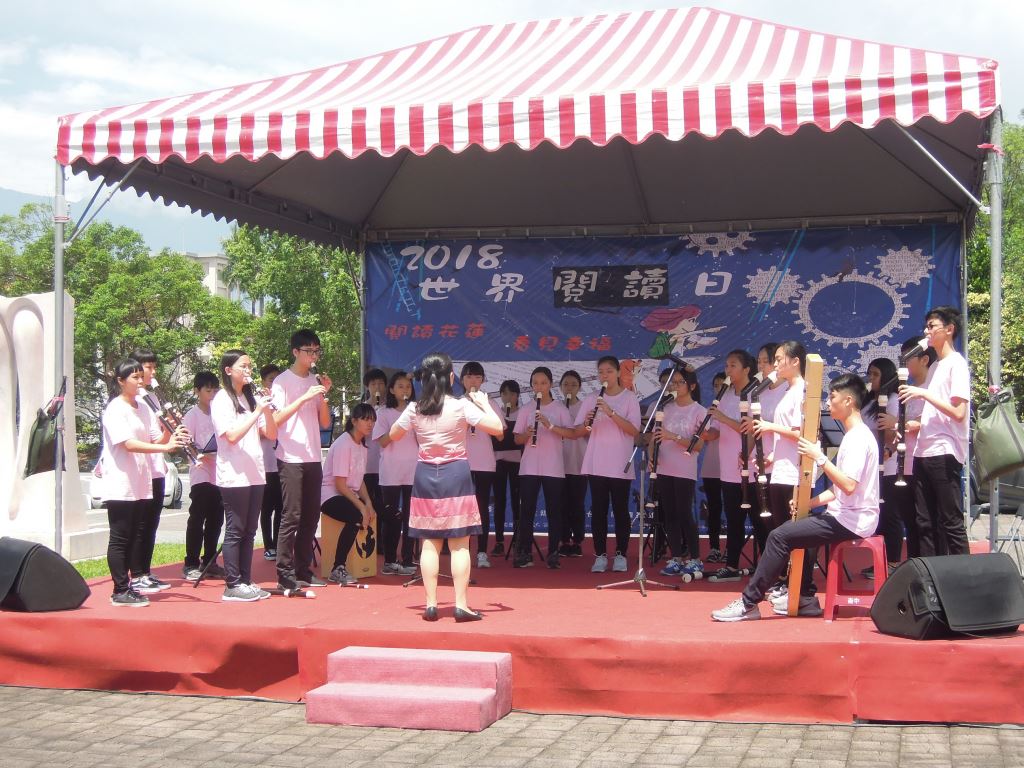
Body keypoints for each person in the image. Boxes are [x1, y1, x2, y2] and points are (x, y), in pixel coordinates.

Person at [712, 373, 880, 621]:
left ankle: (748, 603)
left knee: (778, 536)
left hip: (853, 520)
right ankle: (805, 597)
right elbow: (838, 489)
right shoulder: (853, 436)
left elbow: (848, 485)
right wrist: (808, 503)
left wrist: (818, 457)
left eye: (832, 397)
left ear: (848, 401)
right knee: (802, 524)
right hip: (845, 515)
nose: (828, 403)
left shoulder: (857, 438)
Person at [389, 352, 503, 622]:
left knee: (429, 542)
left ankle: (431, 604)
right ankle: (460, 604)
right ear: (451, 377)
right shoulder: (460, 406)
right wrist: (483, 403)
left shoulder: (415, 408)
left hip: (425, 474)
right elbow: (498, 428)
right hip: (455, 473)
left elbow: (393, 434)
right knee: (459, 544)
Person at [97, 359, 185, 607]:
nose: (139, 381)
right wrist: (165, 447)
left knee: (134, 534)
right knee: (120, 537)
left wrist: (170, 428)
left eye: (140, 376)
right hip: (121, 481)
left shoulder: (144, 407)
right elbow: (127, 443)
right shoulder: (115, 409)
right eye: (134, 378)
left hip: (141, 480)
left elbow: (157, 439)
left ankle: (130, 586)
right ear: (120, 381)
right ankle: (119, 590)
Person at [899, 306, 971, 557]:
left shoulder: (956, 364)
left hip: (944, 450)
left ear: (949, 329)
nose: (926, 331)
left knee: (950, 520)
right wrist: (913, 423)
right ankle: (930, 574)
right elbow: (935, 412)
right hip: (923, 450)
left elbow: (959, 412)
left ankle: (965, 574)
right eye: (926, 326)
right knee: (925, 521)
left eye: (932, 326)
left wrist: (923, 393)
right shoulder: (936, 367)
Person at [211, 349, 277, 602]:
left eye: (250, 366)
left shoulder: (251, 399)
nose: (248, 371)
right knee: (236, 529)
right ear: (229, 370)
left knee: (250, 530)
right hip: (234, 474)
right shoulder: (222, 399)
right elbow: (231, 436)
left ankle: (246, 580)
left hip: (255, 473)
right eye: (243, 366)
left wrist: (266, 408)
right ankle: (232, 584)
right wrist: (257, 412)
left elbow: (271, 434)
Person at [271, 329, 333, 590]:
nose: (313, 356)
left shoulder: (314, 381)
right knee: (292, 515)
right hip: (290, 456)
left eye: (316, 351)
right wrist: (304, 397)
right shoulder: (281, 382)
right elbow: (275, 419)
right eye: (309, 351)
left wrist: (323, 395)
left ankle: (303, 570)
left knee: (310, 515)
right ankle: (284, 572)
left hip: (312, 455)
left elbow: (325, 422)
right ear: (295, 352)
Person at [572, 356, 641, 573]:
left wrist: (611, 413)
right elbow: (578, 432)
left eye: (609, 371)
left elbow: (634, 430)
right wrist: (586, 423)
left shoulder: (629, 398)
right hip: (597, 461)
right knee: (599, 509)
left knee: (620, 509)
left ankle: (621, 554)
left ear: (618, 373)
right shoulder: (591, 398)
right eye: (601, 371)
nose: (604, 375)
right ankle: (600, 554)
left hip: (620, 462)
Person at [751, 341, 809, 600]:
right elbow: (786, 438)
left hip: (795, 472)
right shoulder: (788, 390)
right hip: (781, 469)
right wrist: (771, 458)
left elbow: (800, 433)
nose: (774, 364)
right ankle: (785, 580)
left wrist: (768, 427)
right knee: (779, 528)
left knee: (791, 529)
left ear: (795, 361)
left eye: (778, 359)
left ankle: (798, 585)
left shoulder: (803, 391)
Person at [705, 349, 766, 580]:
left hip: (751, 466)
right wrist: (702, 434)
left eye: (733, 366)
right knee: (733, 519)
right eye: (727, 365)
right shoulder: (725, 395)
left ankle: (766, 568)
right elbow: (716, 430)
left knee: (759, 520)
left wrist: (723, 418)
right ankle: (731, 567)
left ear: (747, 369)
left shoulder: (755, 394)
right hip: (728, 468)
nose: (728, 370)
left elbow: (749, 428)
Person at [877, 336, 934, 563]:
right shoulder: (909, 390)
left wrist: (897, 423)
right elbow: (904, 430)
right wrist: (890, 448)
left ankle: (929, 568)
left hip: (924, 462)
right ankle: (914, 565)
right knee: (910, 522)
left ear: (924, 360)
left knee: (925, 522)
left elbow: (925, 422)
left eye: (908, 358)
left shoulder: (932, 387)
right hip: (905, 464)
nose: (904, 363)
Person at [513, 367, 574, 569]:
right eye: (535, 383)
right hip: (529, 466)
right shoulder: (526, 409)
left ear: (550, 384)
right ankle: (524, 551)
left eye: (543, 383)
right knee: (527, 510)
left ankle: (554, 552)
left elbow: (572, 434)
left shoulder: (560, 409)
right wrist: (527, 434)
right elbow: (517, 439)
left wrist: (550, 426)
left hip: (553, 466)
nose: (539, 387)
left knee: (554, 510)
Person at [653, 366, 706, 579]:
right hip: (664, 466)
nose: (674, 386)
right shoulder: (665, 408)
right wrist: (652, 455)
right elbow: (655, 436)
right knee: (670, 514)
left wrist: (673, 436)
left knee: (684, 513)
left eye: (679, 382)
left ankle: (695, 558)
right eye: (672, 383)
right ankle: (675, 557)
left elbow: (698, 445)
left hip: (684, 468)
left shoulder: (699, 411)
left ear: (691, 386)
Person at [128, 347, 173, 595]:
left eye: (154, 367)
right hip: (139, 470)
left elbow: (158, 437)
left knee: (152, 522)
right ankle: (135, 574)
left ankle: (145, 571)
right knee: (139, 524)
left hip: (156, 467)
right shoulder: (129, 400)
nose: (153, 372)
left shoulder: (152, 398)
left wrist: (171, 427)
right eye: (149, 367)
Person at [321, 404, 378, 585]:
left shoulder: (362, 446)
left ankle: (386, 562)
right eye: (365, 419)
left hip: (347, 493)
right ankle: (338, 567)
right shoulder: (343, 444)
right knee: (356, 516)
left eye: (372, 420)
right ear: (353, 421)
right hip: (329, 495)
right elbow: (339, 484)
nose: (370, 424)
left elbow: (359, 480)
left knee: (382, 511)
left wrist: (368, 503)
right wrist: (361, 507)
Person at [372, 371, 418, 576]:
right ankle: (390, 560)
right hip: (390, 473)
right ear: (391, 389)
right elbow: (382, 441)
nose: (405, 390)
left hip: (413, 471)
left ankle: (408, 559)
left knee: (410, 517)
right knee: (391, 518)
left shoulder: (417, 411)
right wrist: (401, 423)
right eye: (400, 386)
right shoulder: (383, 413)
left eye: (408, 386)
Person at [181, 371, 225, 581]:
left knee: (216, 518)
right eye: (208, 390)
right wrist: (200, 452)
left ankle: (210, 560)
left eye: (215, 390)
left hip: (220, 472)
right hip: (201, 472)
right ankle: (191, 562)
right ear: (197, 391)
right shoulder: (192, 415)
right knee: (198, 517)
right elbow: (185, 443)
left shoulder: (220, 413)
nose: (212, 394)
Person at [460, 362, 501, 568]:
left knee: (482, 506)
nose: (473, 381)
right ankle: (462, 551)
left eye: (477, 377)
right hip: (462, 461)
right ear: (462, 380)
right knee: (462, 508)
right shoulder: (457, 403)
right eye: (469, 377)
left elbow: (500, 433)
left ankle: (482, 551)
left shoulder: (490, 402)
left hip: (484, 461)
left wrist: (483, 412)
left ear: (483, 380)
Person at [864, 356, 899, 573]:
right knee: (878, 514)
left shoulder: (892, 399)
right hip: (870, 466)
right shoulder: (869, 401)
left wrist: (888, 449)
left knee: (889, 514)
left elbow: (893, 436)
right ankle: (879, 562)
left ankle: (893, 562)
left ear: (886, 377)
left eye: (876, 374)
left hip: (888, 466)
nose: (871, 378)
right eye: (870, 374)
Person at [558, 370, 588, 557]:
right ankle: (563, 539)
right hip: (558, 463)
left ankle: (577, 540)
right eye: (566, 384)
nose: (569, 388)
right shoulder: (556, 407)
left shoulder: (585, 408)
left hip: (579, 462)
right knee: (561, 504)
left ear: (579, 388)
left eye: (573, 385)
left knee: (577, 504)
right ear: (560, 387)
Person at [490, 380, 522, 556]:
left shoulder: (523, 413)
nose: (508, 397)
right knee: (499, 501)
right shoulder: (496, 413)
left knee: (517, 501)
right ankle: (499, 541)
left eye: (512, 394)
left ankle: (517, 539)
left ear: (517, 396)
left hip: (517, 462)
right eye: (504, 394)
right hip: (499, 461)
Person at [701, 371, 727, 564]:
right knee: (714, 508)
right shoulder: (709, 410)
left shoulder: (738, 406)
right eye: (716, 386)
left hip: (733, 467)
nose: (719, 389)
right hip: (712, 465)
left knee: (735, 510)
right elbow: (708, 435)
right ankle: (714, 547)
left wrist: (700, 433)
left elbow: (714, 433)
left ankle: (733, 549)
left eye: (722, 385)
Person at [258, 363, 283, 561]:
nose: (273, 383)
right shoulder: (259, 402)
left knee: (282, 507)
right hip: (266, 464)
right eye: (270, 380)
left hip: (282, 462)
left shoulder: (283, 400)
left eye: (277, 379)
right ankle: (269, 545)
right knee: (267, 508)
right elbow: (260, 432)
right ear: (263, 382)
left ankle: (279, 544)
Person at [362, 368, 388, 542]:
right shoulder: (362, 409)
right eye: (373, 384)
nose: (377, 387)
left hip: (385, 465)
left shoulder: (390, 408)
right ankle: (368, 539)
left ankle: (382, 540)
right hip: (366, 464)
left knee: (382, 503)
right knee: (368, 502)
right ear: (367, 387)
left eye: (380, 383)